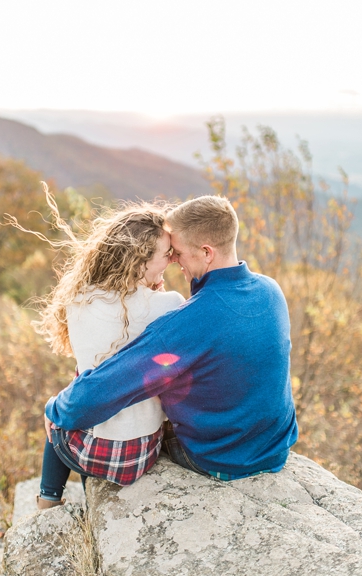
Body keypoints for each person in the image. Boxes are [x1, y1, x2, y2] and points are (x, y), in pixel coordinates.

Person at [46, 195, 299, 481]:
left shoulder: (190, 321)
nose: (174, 259)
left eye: (177, 251)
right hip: (275, 449)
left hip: (220, 459)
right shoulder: (271, 290)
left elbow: (110, 385)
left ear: (207, 252)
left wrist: (56, 408)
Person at [10, 194, 184, 509]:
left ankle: (49, 499)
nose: (172, 260)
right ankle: (91, 504)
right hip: (139, 455)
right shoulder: (170, 305)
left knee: (65, 407)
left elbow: (88, 384)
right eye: (166, 253)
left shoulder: (79, 298)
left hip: (89, 452)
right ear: (141, 259)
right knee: (84, 393)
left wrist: (57, 405)